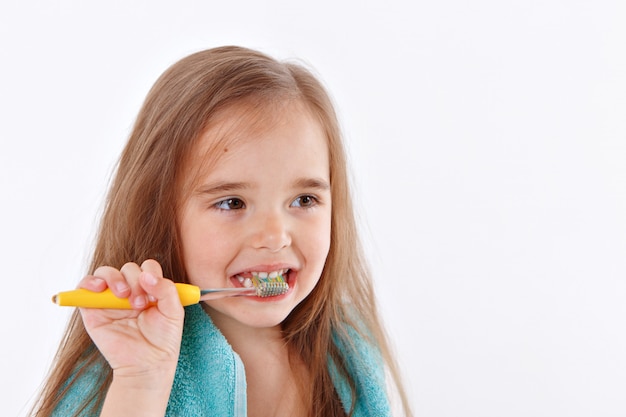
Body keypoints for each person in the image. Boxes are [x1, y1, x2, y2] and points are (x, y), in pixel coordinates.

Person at [30, 46, 413, 417]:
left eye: (304, 200)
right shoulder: (129, 364)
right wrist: (140, 383)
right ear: (159, 214)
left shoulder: (347, 355)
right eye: (232, 203)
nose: (276, 235)